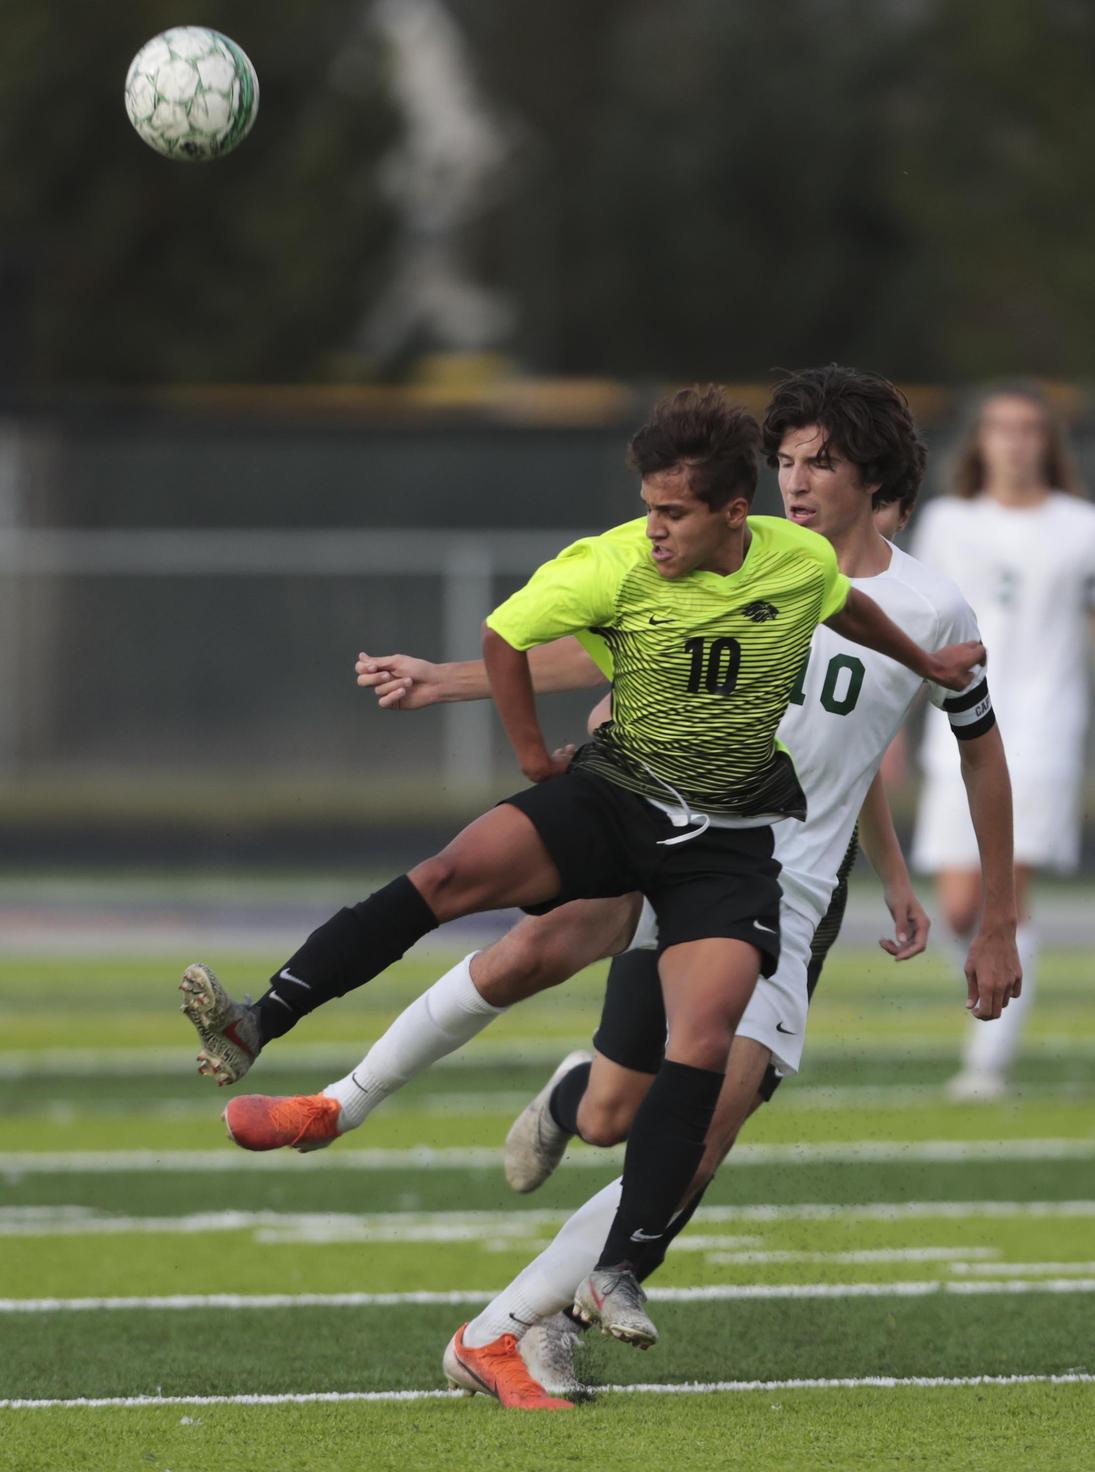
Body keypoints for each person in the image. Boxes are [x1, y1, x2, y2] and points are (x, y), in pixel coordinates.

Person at [202, 367, 1021, 1411]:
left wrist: (982, 915)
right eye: (786, 459)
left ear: (880, 476)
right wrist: (448, 677)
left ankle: (509, 1311)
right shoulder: (733, 553)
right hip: (660, 828)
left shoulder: (925, 602)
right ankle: (342, 1105)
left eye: (823, 462)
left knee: (664, 1129)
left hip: (778, 884)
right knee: (527, 946)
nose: (797, 480)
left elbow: (921, 747)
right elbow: (597, 652)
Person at [909, 383, 1095, 1099]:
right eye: (1001, 429)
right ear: (979, 441)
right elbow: (913, 628)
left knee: (1003, 896)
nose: (1014, 442)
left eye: (1028, 430)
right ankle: (989, 999)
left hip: (1040, 731)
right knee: (954, 906)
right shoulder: (945, 522)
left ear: (1048, 443)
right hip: (954, 727)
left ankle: (986, 1060)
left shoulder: (1087, 530)